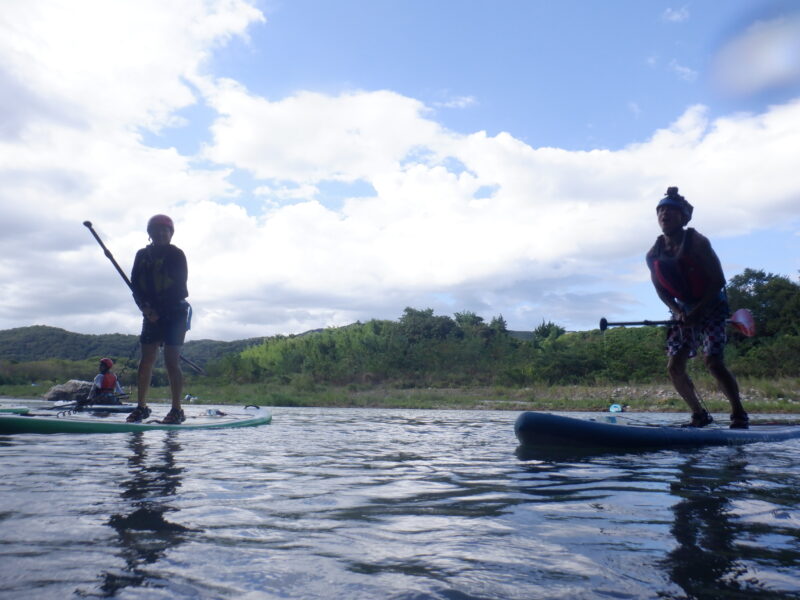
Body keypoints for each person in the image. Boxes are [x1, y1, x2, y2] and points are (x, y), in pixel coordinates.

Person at [646, 187, 749, 429]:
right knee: (674, 366)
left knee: (712, 360)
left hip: (712, 306)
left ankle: (739, 414)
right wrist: (680, 312)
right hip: (683, 310)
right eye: (660, 210)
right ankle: (699, 415)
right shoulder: (654, 253)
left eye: (670, 210)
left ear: (683, 217)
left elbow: (718, 281)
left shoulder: (698, 242)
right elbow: (661, 289)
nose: (664, 215)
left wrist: (699, 311)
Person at [126, 214, 190, 424]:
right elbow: (136, 287)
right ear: (150, 234)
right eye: (156, 230)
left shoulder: (177, 254)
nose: (161, 234)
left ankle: (176, 410)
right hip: (150, 312)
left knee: (172, 361)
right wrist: (146, 309)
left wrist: (159, 312)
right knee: (146, 361)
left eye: (165, 230)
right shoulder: (142, 255)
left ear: (171, 233)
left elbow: (179, 286)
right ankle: (141, 407)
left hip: (175, 312)